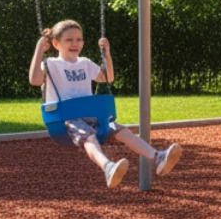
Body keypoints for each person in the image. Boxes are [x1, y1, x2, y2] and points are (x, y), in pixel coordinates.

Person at [29, 19, 181, 188]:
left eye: (79, 39)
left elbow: (107, 77)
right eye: (69, 40)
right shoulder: (51, 64)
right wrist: (39, 51)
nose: (75, 44)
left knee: (123, 131)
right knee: (89, 136)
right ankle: (108, 167)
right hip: (68, 119)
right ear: (56, 43)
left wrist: (106, 53)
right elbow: (35, 80)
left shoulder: (85, 63)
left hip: (93, 115)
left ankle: (157, 156)